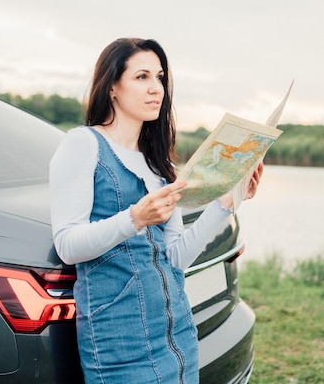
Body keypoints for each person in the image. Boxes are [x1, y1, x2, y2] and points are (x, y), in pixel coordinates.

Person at [49, 37, 263, 384]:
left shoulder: (161, 166)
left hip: (178, 339)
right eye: (142, 77)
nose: (156, 88)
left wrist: (226, 205)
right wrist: (135, 218)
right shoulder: (83, 143)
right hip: (119, 345)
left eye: (160, 77)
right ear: (112, 87)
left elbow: (176, 258)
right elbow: (68, 246)